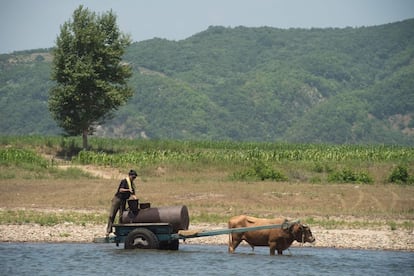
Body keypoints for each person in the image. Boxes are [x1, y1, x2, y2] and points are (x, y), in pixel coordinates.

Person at [106, 169, 138, 236]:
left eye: (135, 177)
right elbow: (121, 190)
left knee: (121, 216)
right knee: (112, 215)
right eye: (133, 177)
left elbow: (133, 194)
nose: (134, 179)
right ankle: (108, 230)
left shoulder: (132, 184)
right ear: (129, 176)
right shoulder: (124, 181)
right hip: (117, 199)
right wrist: (128, 190)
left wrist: (135, 198)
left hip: (123, 200)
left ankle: (119, 231)